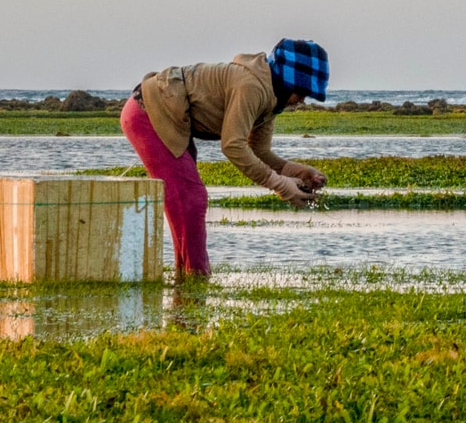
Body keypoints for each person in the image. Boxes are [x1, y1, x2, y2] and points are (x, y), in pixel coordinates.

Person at [120, 39, 331, 279]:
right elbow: (233, 146)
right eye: (301, 92)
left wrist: (298, 173)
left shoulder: (271, 99)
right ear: (287, 81)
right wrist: (281, 185)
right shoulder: (251, 87)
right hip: (148, 112)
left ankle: (186, 277)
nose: (303, 100)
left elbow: (259, 151)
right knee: (191, 198)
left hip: (166, 116)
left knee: (186, 200)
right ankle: (197, 277)